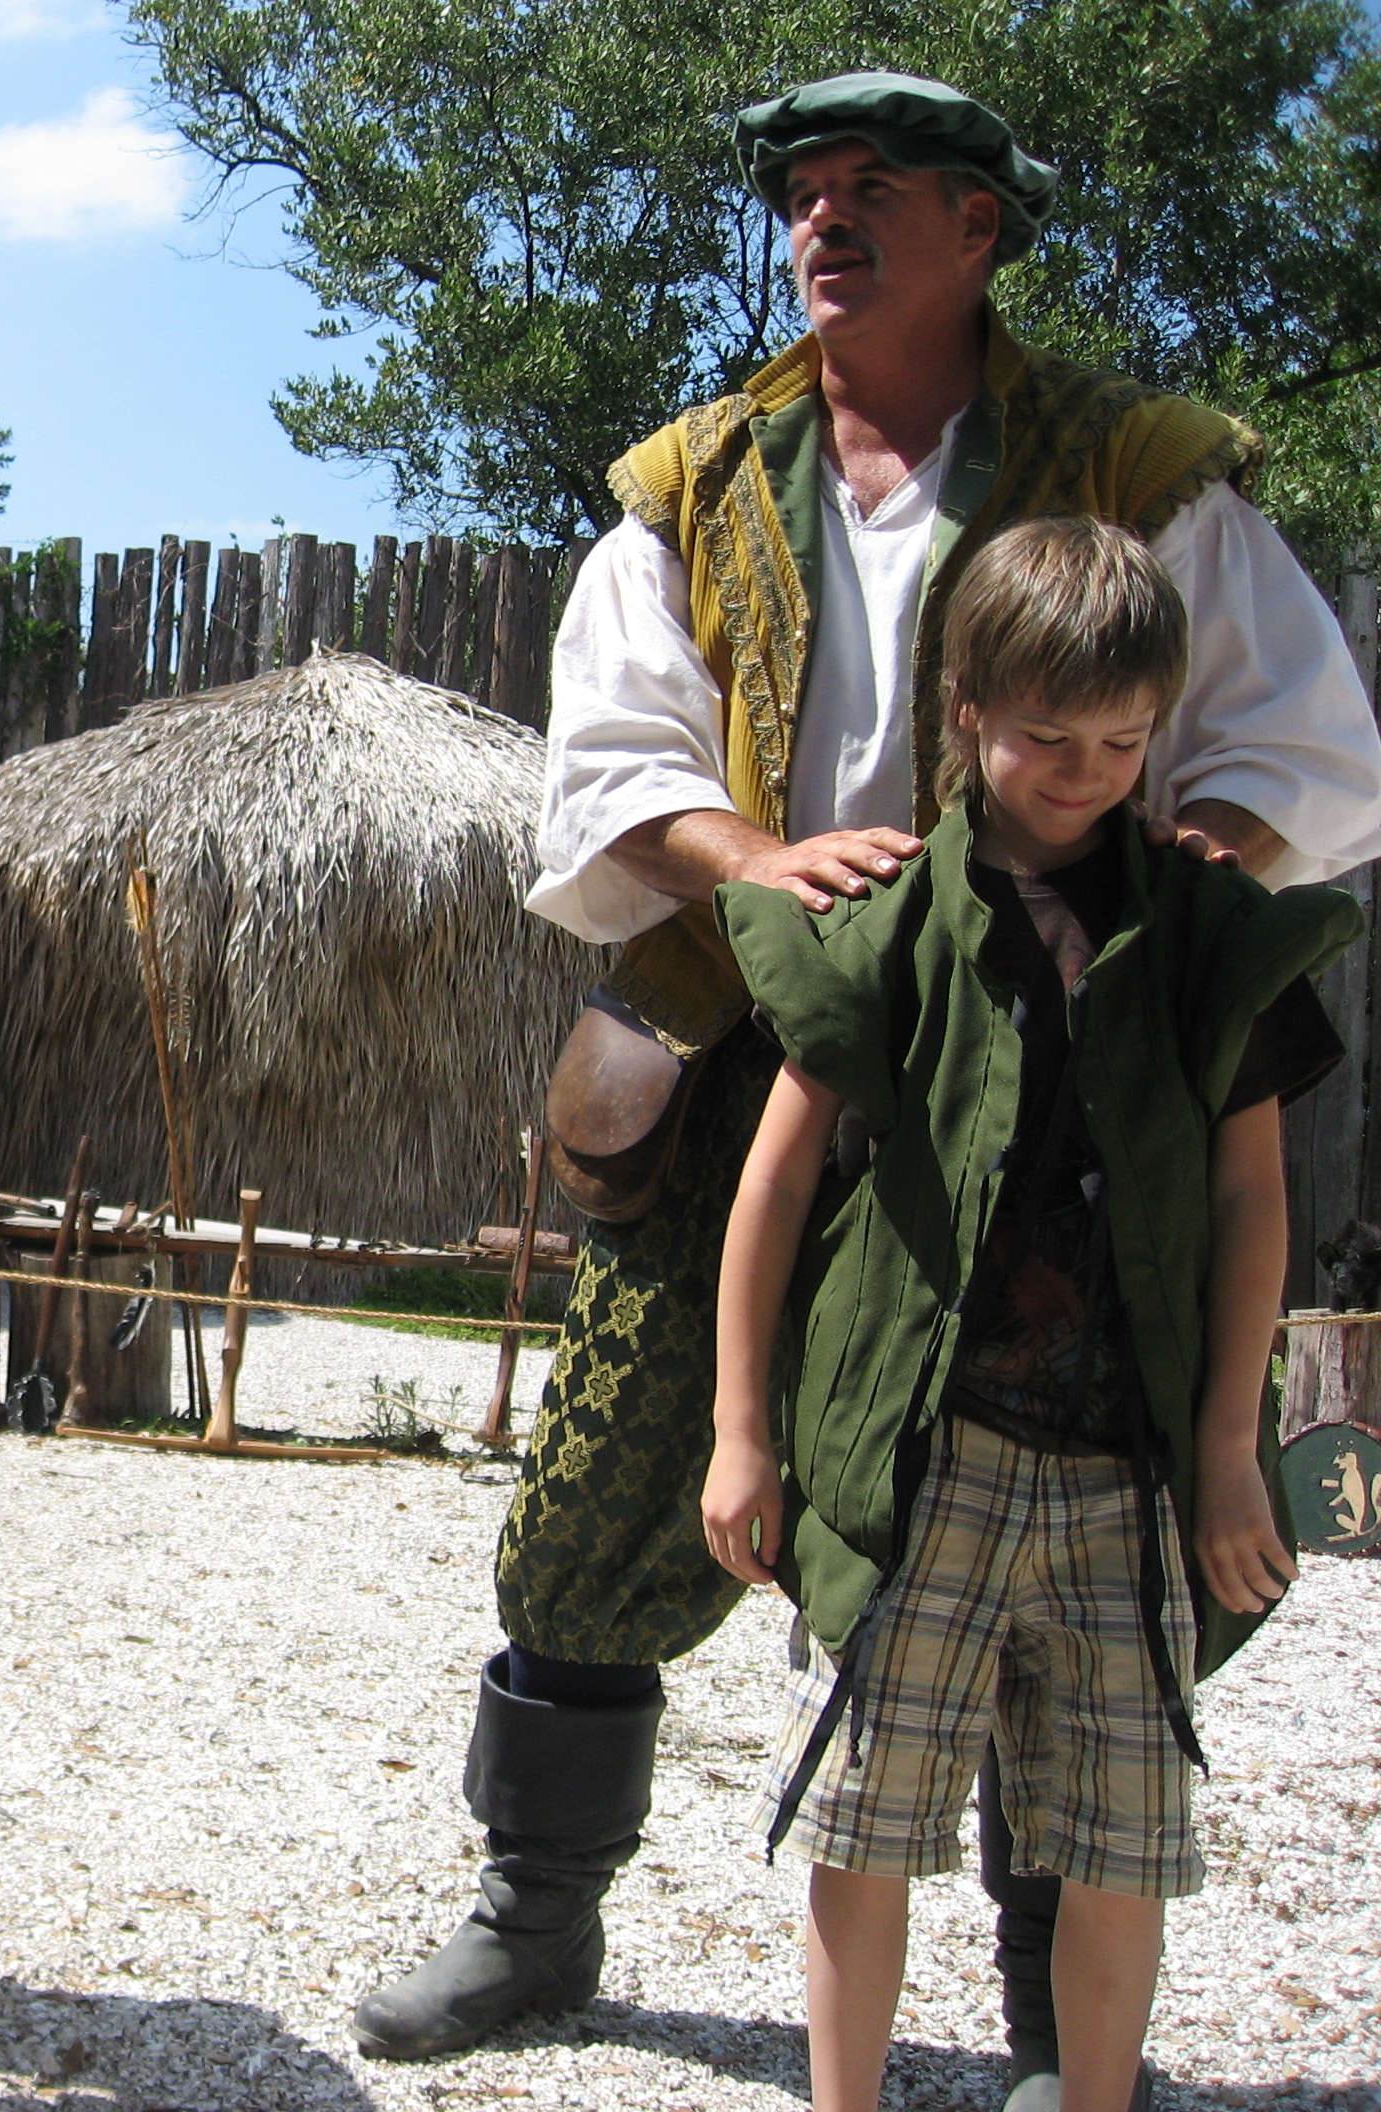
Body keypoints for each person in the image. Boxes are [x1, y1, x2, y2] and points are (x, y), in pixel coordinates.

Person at [353, 71, 1381, 2104]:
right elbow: (610, 757)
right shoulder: (697, 478)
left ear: (982, 227)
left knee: (1060, 1515)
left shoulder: (1143, 471)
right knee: (612, 1475)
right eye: (806, 194)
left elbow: (1293, 741)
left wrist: (1176, 885)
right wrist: (756, 862)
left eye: (876, 191)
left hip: (1056, 1086)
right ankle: (535, 1912)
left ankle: (1039, 2021)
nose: (824, 221)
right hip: (771, 1042)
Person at [700, 515, 1352, 2112]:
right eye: (1050, 735)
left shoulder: (1207, 934)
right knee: (866, 1817)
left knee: (1124, 1835)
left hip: (1131, 1466)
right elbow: (776, 1185)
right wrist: (739, 1430)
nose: (1087, 770)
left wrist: (1224, 1454)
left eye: (1126, 739)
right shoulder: (897, 921)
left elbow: (1258, 1205)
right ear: (969, 707)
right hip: (925, 1464)